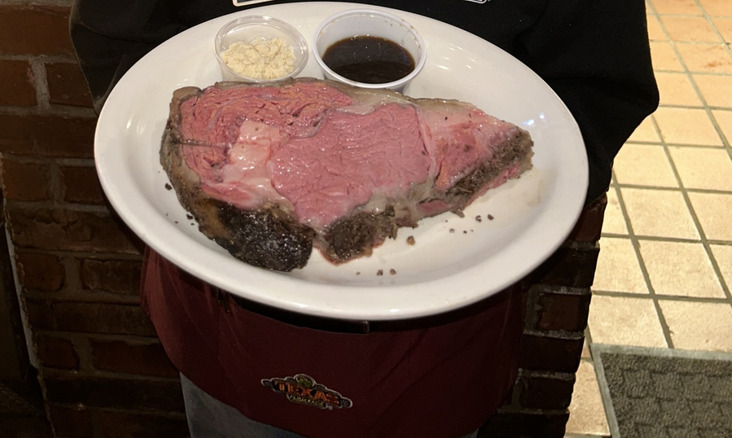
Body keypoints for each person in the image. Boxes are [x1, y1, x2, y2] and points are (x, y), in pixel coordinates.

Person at [70, 1, 659, 437]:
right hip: (221, 318)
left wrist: (493, 192)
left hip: (447, 335)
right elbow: (116, 38)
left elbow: (596, 93)